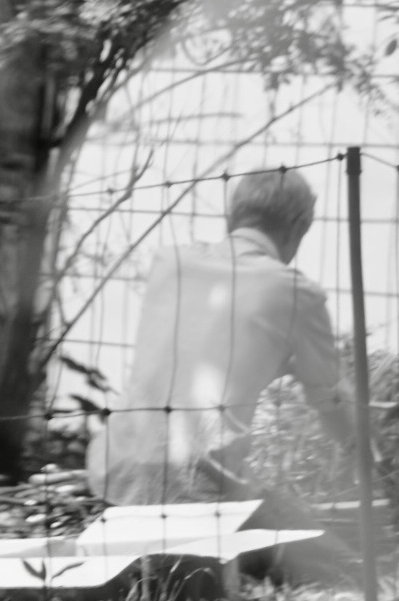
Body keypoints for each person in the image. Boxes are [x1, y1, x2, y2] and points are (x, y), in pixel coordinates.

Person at [88, 166, 353, 508]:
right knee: (334, 557)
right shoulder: (296, 294)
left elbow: (194, 352)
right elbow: (331, 401)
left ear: (232, 218)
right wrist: (363, 451)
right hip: (198, 490)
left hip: (116, 471)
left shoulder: (170, 264)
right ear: (298, 227)